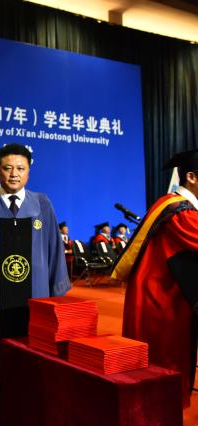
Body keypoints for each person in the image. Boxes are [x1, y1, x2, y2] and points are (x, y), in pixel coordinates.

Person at [0, 143, 70, 426]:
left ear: (29, 171)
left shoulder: (41, 203)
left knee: (35, 361)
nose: (14, 174)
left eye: (20, 168)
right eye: (7, 168)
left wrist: (56, 297)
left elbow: (54, 250)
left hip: (36, 300)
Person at [113, 149, 198, 408]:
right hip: (162, 304)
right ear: (192, 177)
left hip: (164, 297)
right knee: (161, 370)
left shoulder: (173, 206)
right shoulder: (180, 212)